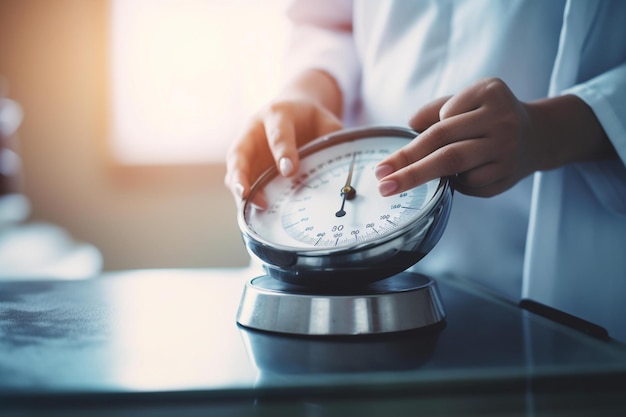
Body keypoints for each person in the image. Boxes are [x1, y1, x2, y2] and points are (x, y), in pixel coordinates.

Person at [225, 0, 626, 342]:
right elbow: (329, 20)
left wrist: (553, 129)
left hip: (547, 269)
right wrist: (309, 89)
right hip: (346, 233)